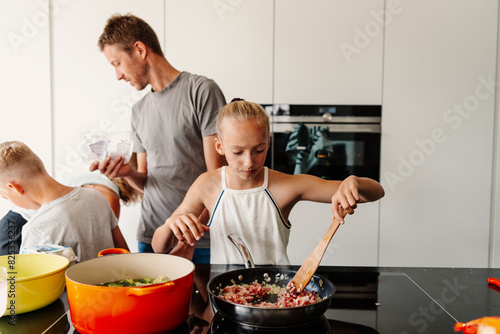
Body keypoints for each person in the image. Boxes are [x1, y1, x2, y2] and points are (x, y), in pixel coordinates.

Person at [152, 100, 385, 265]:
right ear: (220, 147)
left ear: (268, 142)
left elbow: (376, 191)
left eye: (258, 150)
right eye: (237, 152)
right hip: (224, 298)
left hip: (276, 298)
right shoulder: (207, 185)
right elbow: (158, 246)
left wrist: (353, 181)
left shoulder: (284, 185)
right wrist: (172, 223)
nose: (249, 162)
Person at [91, 14, 226, 262]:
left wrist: (189, 238)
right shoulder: (138, 111)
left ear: (139, 50)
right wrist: (127, 173)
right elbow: (147, 182)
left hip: (199, 241)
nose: (118, 75)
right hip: (150, 239)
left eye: (117, 63)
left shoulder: (201, 91)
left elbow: (218, 179)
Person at [0, 141, 129, 262]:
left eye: (5, 196)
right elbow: (124, 254)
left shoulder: (36, 229)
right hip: (111, 284)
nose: (8, 200)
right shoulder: (97, 196)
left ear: (15, 188)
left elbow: (32, 285)